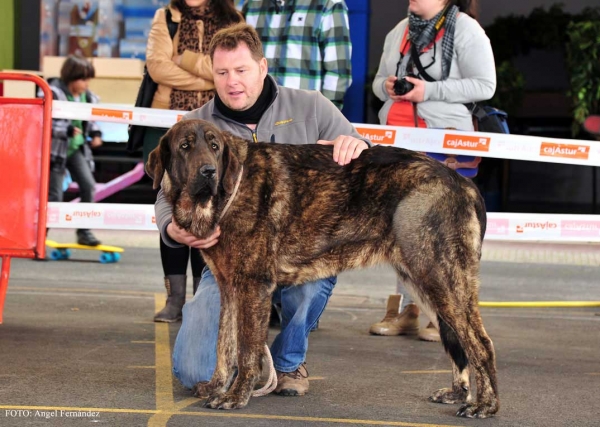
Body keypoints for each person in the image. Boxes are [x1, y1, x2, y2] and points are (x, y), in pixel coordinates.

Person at [154, 23, 370, 396]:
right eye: (221, 73)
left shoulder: (311, 106)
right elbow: (165, 191)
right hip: (229, 259)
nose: (231, 81)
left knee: (311, 283)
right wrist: (170, 229)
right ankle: (251, 356)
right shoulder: (196, 125)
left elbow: (359, 149)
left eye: (241, 70)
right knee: (193, 372)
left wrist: (357, 143)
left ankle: (287, 362)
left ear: (262, 67)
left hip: (299, 252)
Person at [369, 0, 496, 342]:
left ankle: (442, 313)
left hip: (444, 143)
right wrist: (390, 87)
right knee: (400, 229)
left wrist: (428, 90)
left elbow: (486, 85)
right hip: (401, 142)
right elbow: (378, 82)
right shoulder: (399, 30)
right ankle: (408, 310)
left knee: (441, 233)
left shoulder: (467, 29)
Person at [145, 0, 243, 323]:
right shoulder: (166, 17)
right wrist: (209, 77)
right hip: (168, 123)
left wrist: (184, 61)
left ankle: (203, 295)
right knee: (173, 205)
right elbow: (157, 68)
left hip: (217, 124)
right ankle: (175, 299)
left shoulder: (233, 18)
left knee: (209, 208)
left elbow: (231, 71)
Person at [242, 0, 352, 109]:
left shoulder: (329, 4)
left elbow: (338, 72)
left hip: (304, 113)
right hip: (257, 113)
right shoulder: (252, 4)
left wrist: (323, 117)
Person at [42, 54, 103, 247]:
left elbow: (91, 120)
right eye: (83, 79)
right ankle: (40, 237)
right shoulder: (51, 92)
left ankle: (84, 231)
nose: (86, 83)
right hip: (53, 152)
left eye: (88, 79)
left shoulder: (88, 97)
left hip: (76, 150)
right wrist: (65, 129)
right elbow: (41, 121)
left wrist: (95, 134)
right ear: (71, 77)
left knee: (88, 186)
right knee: (54, 196)